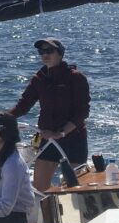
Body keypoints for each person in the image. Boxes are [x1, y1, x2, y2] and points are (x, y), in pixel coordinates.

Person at [9, 37, 90, 192]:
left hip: (74, 138)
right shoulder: (38, 79)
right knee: (39, 188)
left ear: (60, 54)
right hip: (47, 138)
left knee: (73, 188)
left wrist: (62, 132)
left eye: (49, 51)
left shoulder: (76, 78)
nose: (45, 54)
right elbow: (23, 106)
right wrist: (0, 118)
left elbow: (82, 112)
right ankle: (49, 213)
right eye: (41, 51)